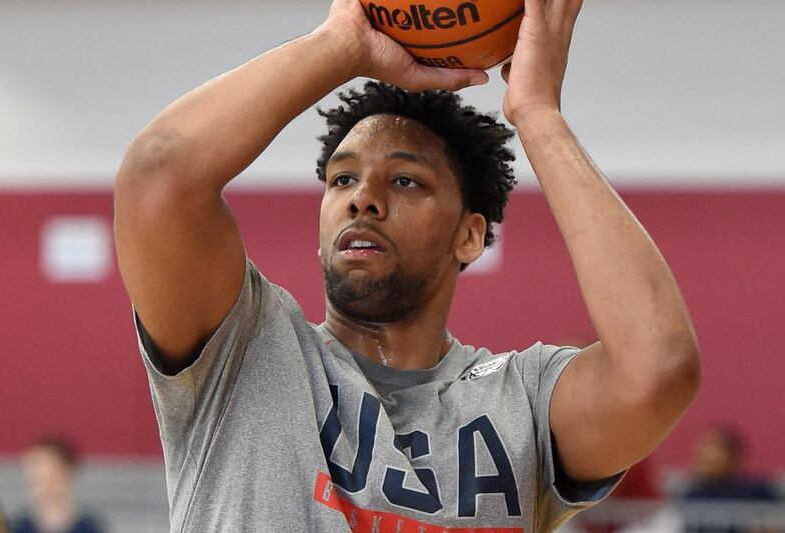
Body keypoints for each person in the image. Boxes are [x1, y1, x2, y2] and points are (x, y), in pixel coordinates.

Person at [114, 0, 701, 530]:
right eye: (342, 178)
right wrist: (341, 45)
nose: (361, 199)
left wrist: (539, 114)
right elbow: (159, 173)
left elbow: (659, 368)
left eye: (404, 180)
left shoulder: (520, 400)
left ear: (469, 236)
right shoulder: (243, 348)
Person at [681, 426, 782, 532]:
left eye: (715, 448)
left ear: (735, 456)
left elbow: (775, 522)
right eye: (703, 451)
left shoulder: (756, 492)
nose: (706, 455)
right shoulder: (692, 496)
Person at [12, 436, 103, 533]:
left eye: (41, 465)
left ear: (65, 472)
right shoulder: (19, 527)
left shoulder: (89, 528)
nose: (33, 474)